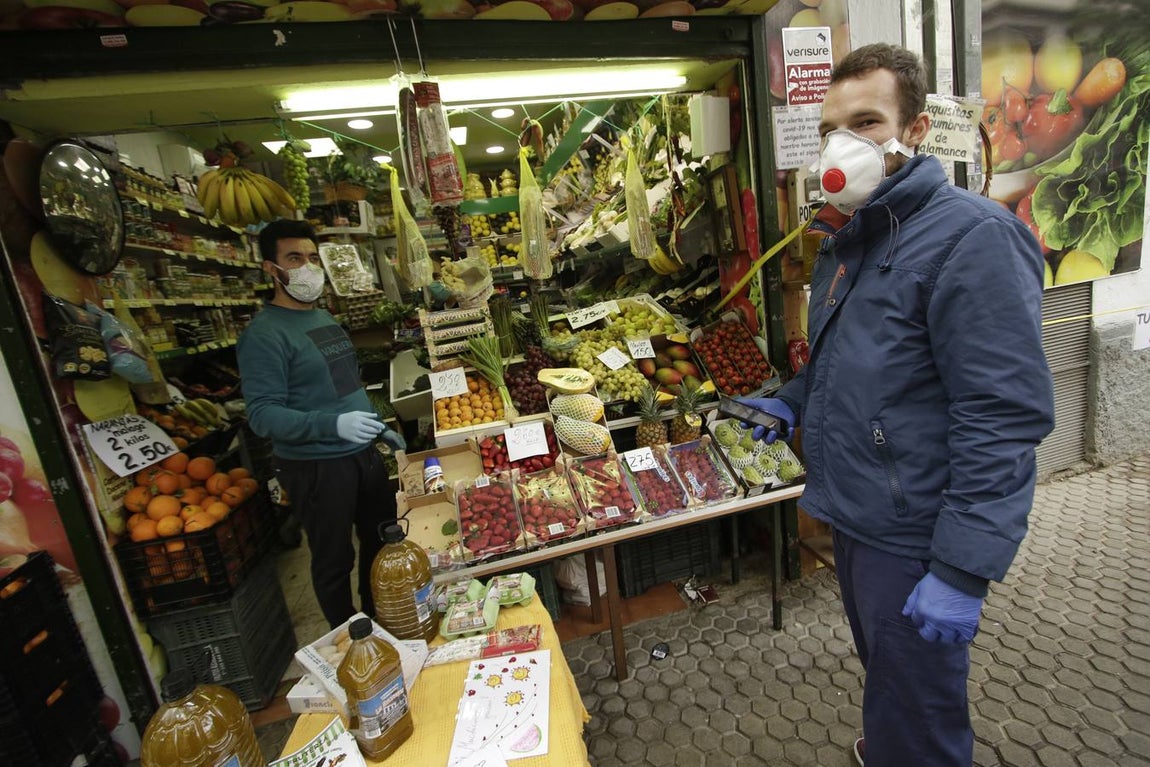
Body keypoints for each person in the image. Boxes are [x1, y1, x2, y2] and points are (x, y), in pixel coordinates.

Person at [739, 44, 1055, 766]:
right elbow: (854, 358)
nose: (841, 144)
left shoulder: (974, 239)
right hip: (857, 513)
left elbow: (1001, 416)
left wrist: (960, 569)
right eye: (829, 128)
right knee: (891, 684)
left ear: (913, 131)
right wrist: (792, 400)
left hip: (915, 534)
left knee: (920, 712)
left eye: (866, 121)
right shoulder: (852, 238)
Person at [237, 218, 405, 629]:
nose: (307, 267)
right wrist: (332, 426)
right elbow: (262, 415)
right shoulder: (264, 335)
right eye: (294, 258)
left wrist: (375, 424)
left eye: (313, 258)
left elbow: (344, 383)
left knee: (382, 541)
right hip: (316, 467)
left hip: (363, 456)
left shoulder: (323, 318)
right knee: (334, 559)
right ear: (270, 269)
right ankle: (349, 640)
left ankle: (378, 618)